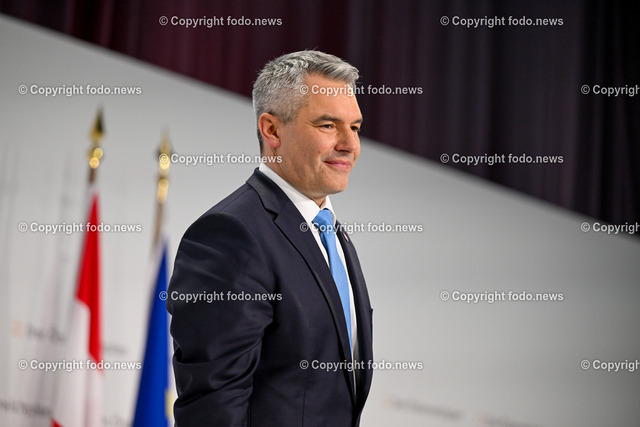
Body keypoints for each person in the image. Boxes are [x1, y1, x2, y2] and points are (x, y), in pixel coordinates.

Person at [167, 50, 374, 426]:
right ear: (272, 130)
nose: (349, 144)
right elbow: (213, 409)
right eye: (328, 125)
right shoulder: (229, 235)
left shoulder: (336, 238)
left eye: (355, 127)